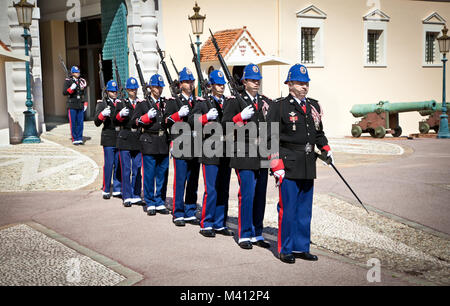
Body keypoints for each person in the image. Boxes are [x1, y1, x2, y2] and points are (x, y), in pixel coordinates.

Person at [267, 64, 333, 264]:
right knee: (288, 209)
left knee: (304, 210)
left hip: (307, 163)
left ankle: (301, 246)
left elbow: (318, 133)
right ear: (289, 84)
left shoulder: (313, 106)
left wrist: (326, 148)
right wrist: (275, 163)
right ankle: (285, 249)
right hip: (287, 165)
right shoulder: (279, 106)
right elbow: (268, 137)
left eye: (306, 83)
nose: (304, 87)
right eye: (300, 83)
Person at [222, 63, 272, 249]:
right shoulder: (234, 101)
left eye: (258, 79)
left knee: (260, 195)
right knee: (248, 194)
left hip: (262, 153)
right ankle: (244, 234)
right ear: (244, 81)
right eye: (252, 79)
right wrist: (240, 117)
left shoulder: (265, 101)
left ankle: (257, 233)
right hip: (243, 153)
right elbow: (225, 126)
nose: (256, 82)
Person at [190, 70, 233, 238]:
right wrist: (206, 117)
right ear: (211, 86)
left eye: (223, 84)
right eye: (218, 84)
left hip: (225, 149)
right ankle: (207, 223)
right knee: (212, 189)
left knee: (224, 188)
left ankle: (220, 222)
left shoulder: (229, 102)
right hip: (210, 149)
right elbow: (192, 122)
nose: (221, 87)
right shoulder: (202, 103)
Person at [165, 67, 202, 227]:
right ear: (180, 84)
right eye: (187, 81)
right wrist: (177, 114)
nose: (190, 84)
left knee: (193, 180)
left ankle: (190, 211)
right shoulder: (173, 101)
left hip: (196, 145)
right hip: (181, 144)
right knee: (180, 181)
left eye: (191, 81)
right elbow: (166, 121)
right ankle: (178, 212)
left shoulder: (199, 101)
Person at [132, 74, 170, 215]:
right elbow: (134, 122)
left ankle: (160, 200)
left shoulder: (165, 102)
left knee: (162, 173)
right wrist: (146, 117)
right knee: (149, 174)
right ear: (150, 88)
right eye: (156, 87)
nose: (158, 89)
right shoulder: (142, 104)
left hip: (163, 141)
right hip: (149, 141)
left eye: (160, 87)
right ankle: (150, 201)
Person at [114, 77, 143, 207]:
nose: (133, 91)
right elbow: (114, 120)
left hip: (137, 137)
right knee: (126, 169)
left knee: (137, 167)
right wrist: (120, 114)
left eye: (135, 89)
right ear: (126, 90)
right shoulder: (121, 103)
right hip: (125, 137)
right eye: (131, 89)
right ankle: (126, 195)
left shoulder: (140, 103)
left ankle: (136, 194)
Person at [94, 80, 122, 200]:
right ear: (107, 92)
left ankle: (117, 188)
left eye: (115, 91)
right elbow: (96, 122)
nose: (114, 93)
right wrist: (102, 114)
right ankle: (106, 189)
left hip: (119, 136)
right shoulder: (102, 104)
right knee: (109, 164)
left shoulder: (120, 103)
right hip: (108, 136)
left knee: (118, 164)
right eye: (111, 91)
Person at [63, 66, 88, 145]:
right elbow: (64, 92)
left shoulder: (82, 81)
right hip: (72, 104)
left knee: (80, 123)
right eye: (76, 72)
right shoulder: (68, 81)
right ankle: (75, 138)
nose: (78, 74)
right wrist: (71, 88)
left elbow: (84, 93)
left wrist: (85, 103)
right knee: (73, 122)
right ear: (72, 73)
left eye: (78, 72)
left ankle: (80, 138)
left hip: (80, 104)